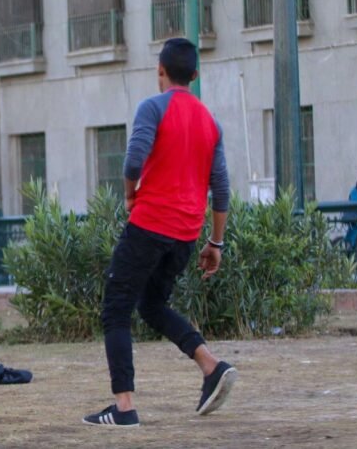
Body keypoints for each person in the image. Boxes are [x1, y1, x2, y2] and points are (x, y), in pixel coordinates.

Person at [83, 38, 235, 428]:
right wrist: (215, 243)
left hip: (149, 225)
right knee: (151, 306)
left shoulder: (153, 107)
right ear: (195, 76)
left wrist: (131, 196)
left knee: (116, 309)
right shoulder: (210, 123)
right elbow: (221, 189)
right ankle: (211, 366)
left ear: (160, 72)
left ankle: (125, 407)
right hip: (185, 235)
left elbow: (134, 159)